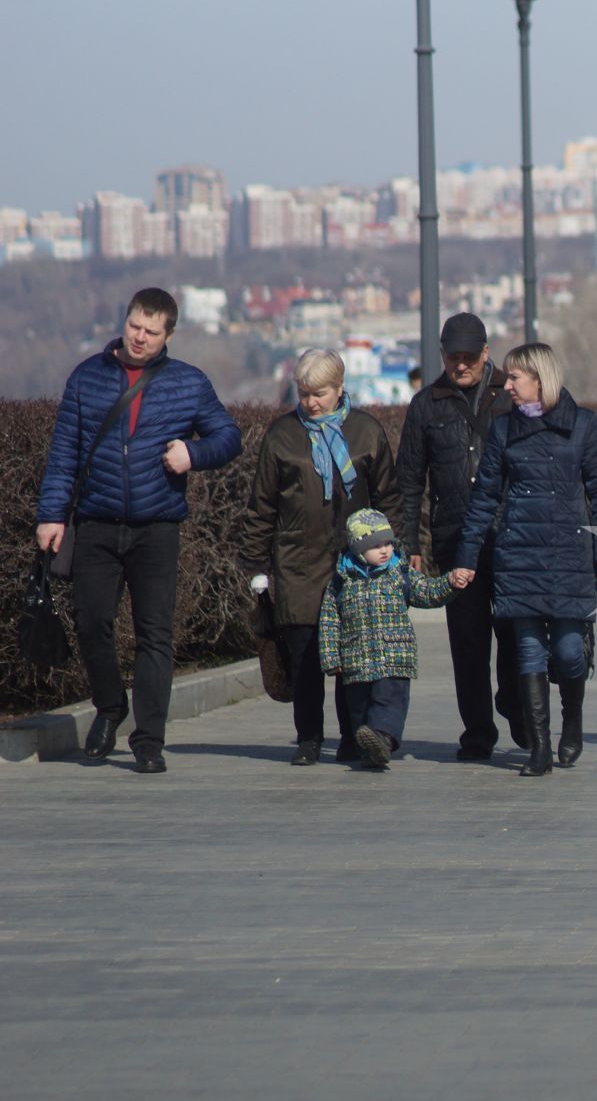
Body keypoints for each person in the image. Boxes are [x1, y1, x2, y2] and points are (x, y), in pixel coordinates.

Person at [35, 287, 243, 773]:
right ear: (124, 322)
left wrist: (193, 454)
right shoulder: (87, 378)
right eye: (134, 326)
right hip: (97, 523)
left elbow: (228, 436)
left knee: (155, 635)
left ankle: (148, 740)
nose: (140, 338)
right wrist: (50, 514)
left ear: (168, 334)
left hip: (157, 526)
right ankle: (110, 707)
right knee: (90, 621)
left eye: (151, 331)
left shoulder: (188, 383)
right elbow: (64, 452)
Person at [450, 343, 597, 777]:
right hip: (518, 555)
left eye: (514, 379)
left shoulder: (583, 425)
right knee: (528, 651)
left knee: (567, 654)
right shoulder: (503, 430)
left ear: (540, 380)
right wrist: (467, 558)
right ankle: (539, 749)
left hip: (569, 555)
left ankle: (573, 722)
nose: (505, 385)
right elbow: (484, 497)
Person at [239, 348, 403, 766]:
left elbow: (390, 498)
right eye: (304, 392)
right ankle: (309, 737)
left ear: (340, 388)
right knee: (306, 654)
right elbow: (262, 506)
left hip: (354, 563)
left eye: (320, 393)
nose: (311, 402)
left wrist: (397, 551)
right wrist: (255, 565)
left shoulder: (366, 432)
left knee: (353, 655)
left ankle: (353, 736)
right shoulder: (282, 435)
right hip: (297, 561)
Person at [396, 312, 521, 762]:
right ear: (443, 356)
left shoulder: (511, 395)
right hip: (453, 543)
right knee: (467, 644)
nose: (462, 366)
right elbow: (408, 481)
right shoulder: (426, 404)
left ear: (487, 353)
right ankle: (478, 732)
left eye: (470, 357)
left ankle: (518, 708)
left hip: (510, 539)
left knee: (514, 634)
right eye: (454, 358)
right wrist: (410, 544)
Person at [318, 509, 459, 769]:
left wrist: (449, 583)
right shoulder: (341, 581)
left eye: (387, 544)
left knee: (388, 704)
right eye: (375, 546)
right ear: (358, 549)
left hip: (394, 657)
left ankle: (383, 739)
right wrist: (330, 657)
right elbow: (329, 620)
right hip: (356, 660)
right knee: (359, 712)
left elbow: (426, 592)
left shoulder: (399, 573)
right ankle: (371, 750)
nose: (384, 550)